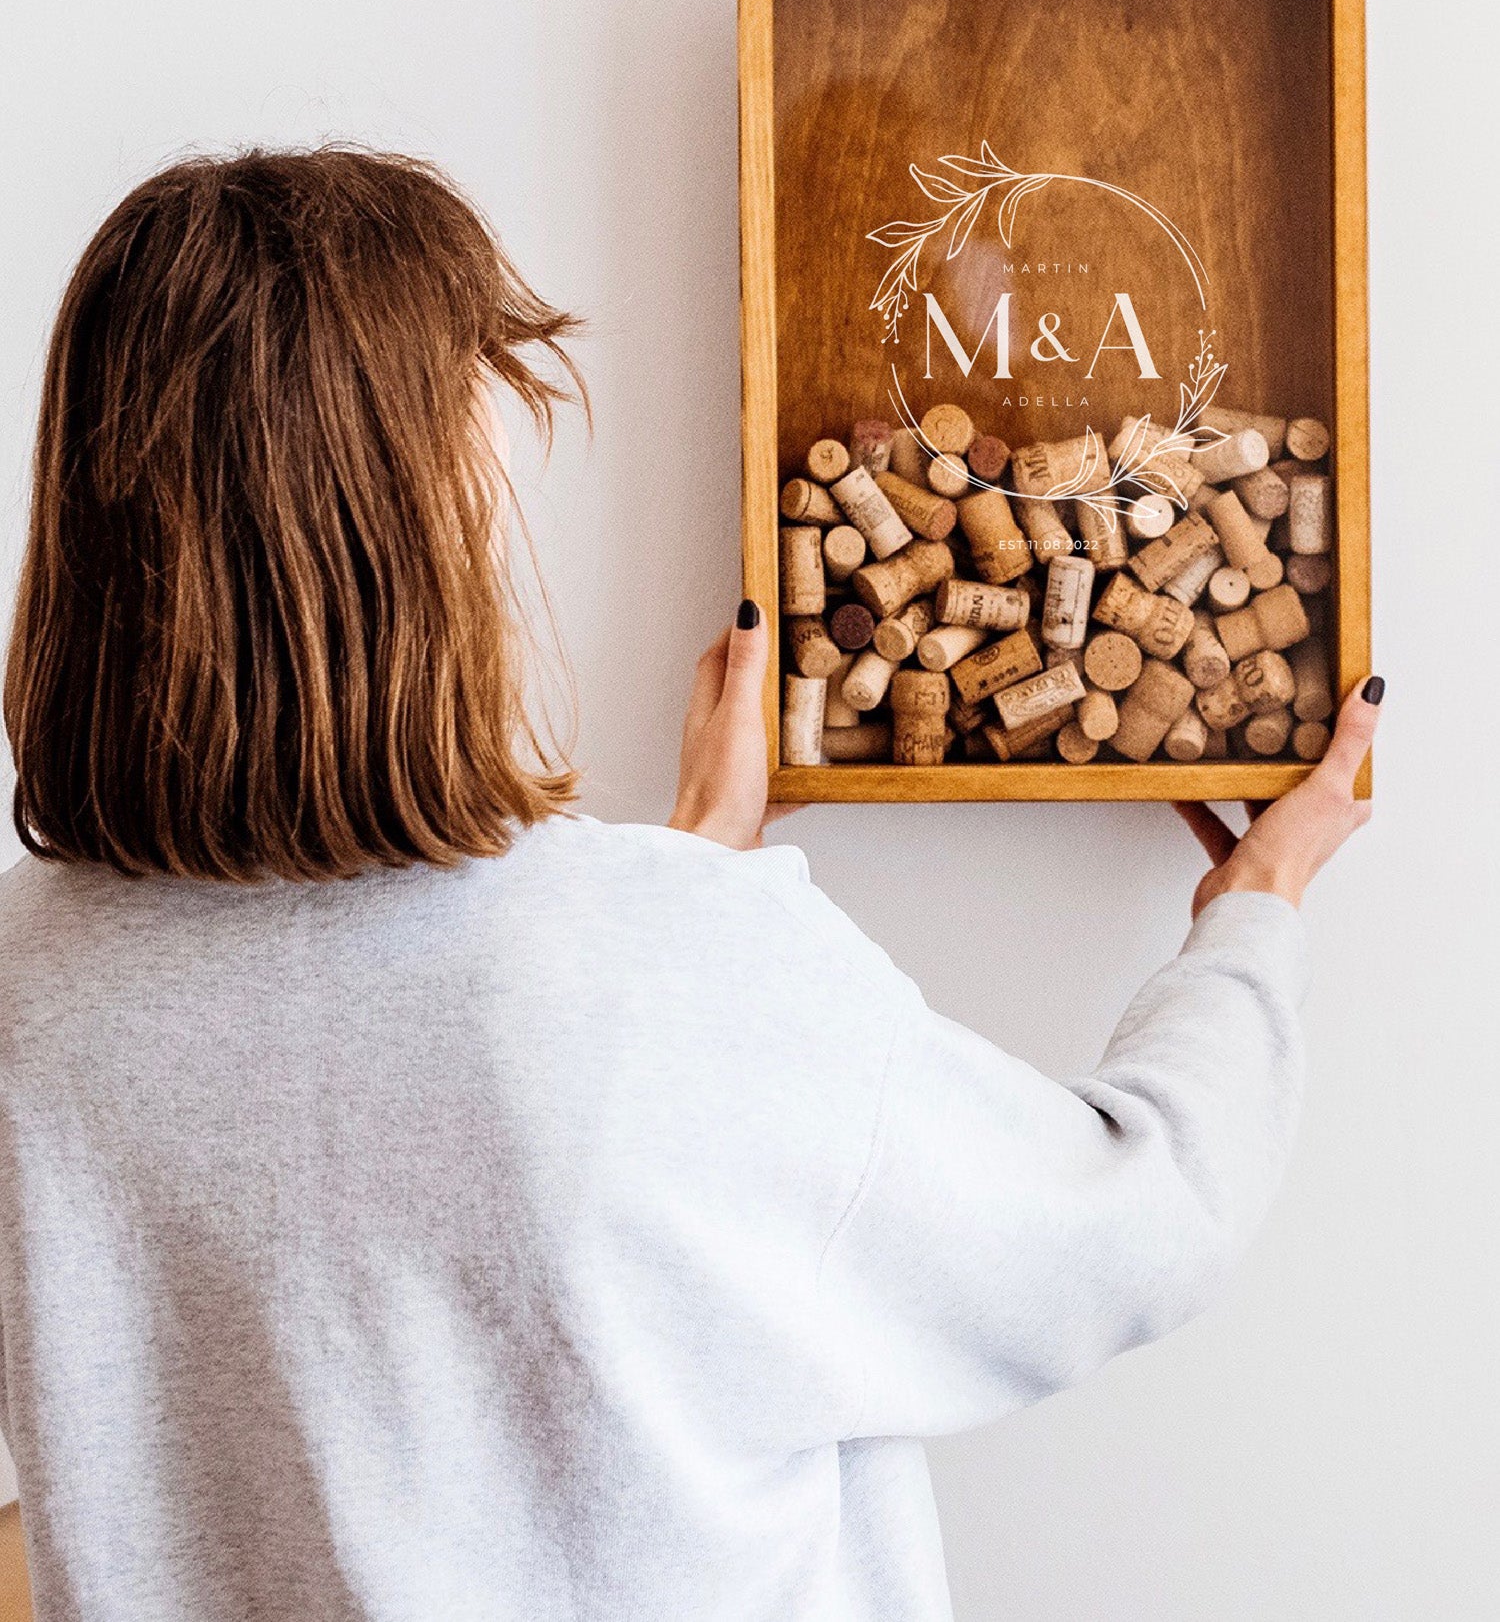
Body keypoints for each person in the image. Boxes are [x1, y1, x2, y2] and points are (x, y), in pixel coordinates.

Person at [0, 148, 1380, 1622]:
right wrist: (1258, 904)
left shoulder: (31, 990)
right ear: (411, 531)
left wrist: (688, 863)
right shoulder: (652, 978)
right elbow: (1137, 1216)